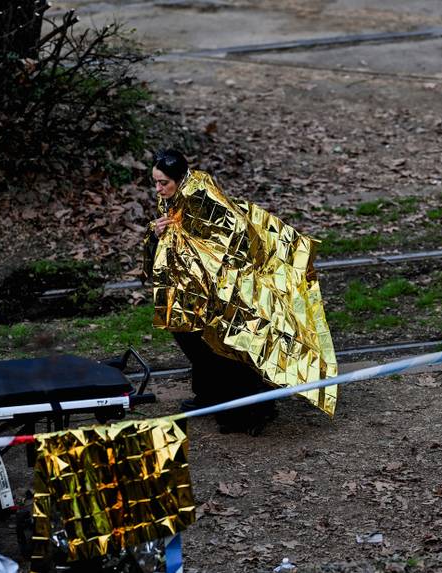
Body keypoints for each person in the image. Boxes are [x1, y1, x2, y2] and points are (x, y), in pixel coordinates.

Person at [143, 149, 339, 434]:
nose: (159, 189)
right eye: (156, 183)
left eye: (163, 183)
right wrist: (158, 232)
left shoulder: (200, 195)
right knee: (192, 339)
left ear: (180, 178)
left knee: (223, 345)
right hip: (190, 287)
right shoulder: (175, 197)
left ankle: (249, 409)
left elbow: (233, 234)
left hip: (221, 290)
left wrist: (188, 244)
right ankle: (212, 396)